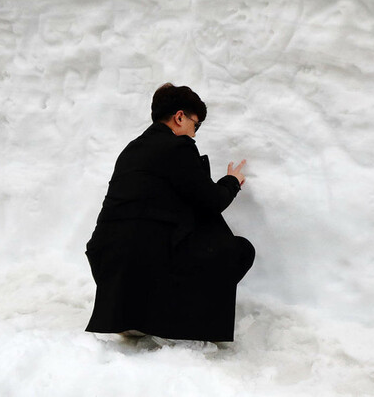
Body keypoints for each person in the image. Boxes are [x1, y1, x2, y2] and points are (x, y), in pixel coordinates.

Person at [85, 83, 254, 342]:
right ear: (179, 117)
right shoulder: (177, 147)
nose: (194, 134)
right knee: (239, 250)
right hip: (144, 260)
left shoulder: (131, 150)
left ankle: (133, 315)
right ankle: (177, 324)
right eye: (195, 125)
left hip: (106, 259)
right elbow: (210, 201)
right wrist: (231, 181)